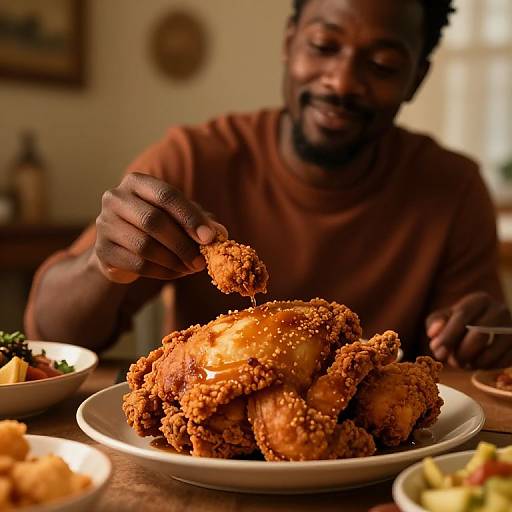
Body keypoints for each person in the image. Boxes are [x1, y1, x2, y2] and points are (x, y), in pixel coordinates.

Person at [24, 0, 512, 368]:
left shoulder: (453, 188)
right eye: (323, 47)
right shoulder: (193, 161)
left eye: (382, 65)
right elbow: (49, 336)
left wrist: (480, 335)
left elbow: (475, 345)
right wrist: (100, 266)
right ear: (288, 42)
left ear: (417, 78)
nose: (341, 82)